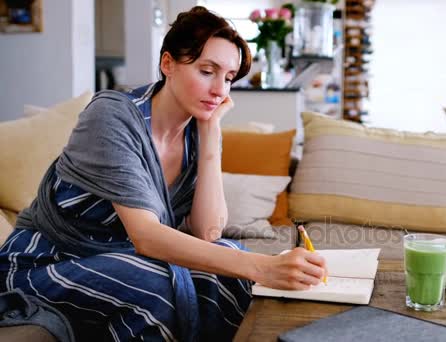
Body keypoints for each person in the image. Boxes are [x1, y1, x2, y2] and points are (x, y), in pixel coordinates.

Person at [0, 6, 326, 341]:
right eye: (206, 71)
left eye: (228, 78)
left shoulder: (195, 132)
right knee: (156, 283)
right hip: (43, 264)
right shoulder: (111, 117)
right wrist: (264, 267)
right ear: (167, 64)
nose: (220, 90)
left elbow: (208, 232)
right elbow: (147, 236)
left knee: (230, 259)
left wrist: (211, 133)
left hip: (121, 260)